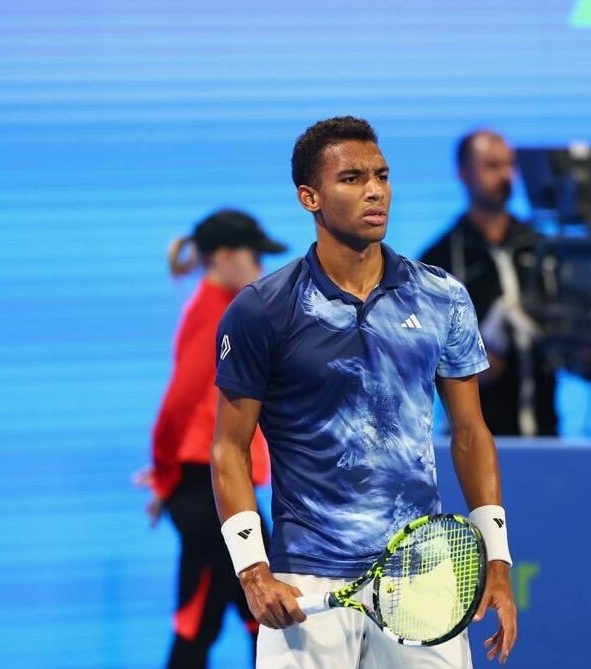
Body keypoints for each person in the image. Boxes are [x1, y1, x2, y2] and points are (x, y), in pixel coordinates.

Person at [209, 116, 518, 669]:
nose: (375, 190)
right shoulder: (262, 310)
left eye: (381, 175)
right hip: (305, 580)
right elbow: (228, 448)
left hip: (423, 576)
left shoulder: (441, 296)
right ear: (310, 197)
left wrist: (497, 557)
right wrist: (253, 571)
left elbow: (471, 433)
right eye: (351, 178)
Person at [139, 209, 287, 669]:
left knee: (231, 616)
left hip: (207, 484)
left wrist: (169, 473)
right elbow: (176, 407)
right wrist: (167, 476)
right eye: (254, 255)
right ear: (222, 256)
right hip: (206, 488)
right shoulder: (218, 313)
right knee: (241, 613)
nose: (261, 268)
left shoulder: (223, 308)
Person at [419, 130, 559, 437]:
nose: (505, 175)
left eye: (510, 165)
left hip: (546, 437)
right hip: (476, 440)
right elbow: (420, 358)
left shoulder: (542, 248)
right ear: (463, 172)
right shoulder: (438, 260)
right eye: (492, 166)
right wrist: (470, 366)